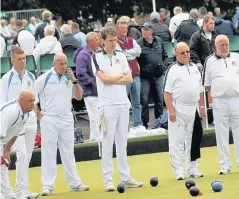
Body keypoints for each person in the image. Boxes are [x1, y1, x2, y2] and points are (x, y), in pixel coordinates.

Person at [91, 26, 143, 191]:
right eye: (111, 40)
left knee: (122, 143)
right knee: (107, 143)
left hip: (122, 104)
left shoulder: (121, 55)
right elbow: (104, 80)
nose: (114, 43)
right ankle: (108, 180)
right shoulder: (96, 57)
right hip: (106, 106)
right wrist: (118, 77)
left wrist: (114, 78)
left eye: (115, 40)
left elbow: (129, 79)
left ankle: (126, 177)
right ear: (102, 41)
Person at [35, 52, 89, 196]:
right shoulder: (44, 78)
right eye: (61, 63)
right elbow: (32, 98)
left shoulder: (69, 78)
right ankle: (47, 186)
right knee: (49, 152)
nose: (64, 66)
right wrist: (40, 117)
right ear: (54, 63)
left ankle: (75, 183)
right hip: (50, 119)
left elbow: (78, 96)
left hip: (66, 118)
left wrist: (74, 81)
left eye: (65, 63)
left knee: (68, 151)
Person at [0, 46, 39, 198]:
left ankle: (22, 189)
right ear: (12, 60)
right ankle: (8, 191)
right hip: (12, 121)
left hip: (29, 120)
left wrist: (36, 116)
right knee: (21, 154)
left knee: (27, 155)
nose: (23, 61)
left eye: (24, 58)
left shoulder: (31, 76)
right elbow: (2, 102)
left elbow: (35, 100)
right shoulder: (6, 79)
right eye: (19, 59)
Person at [164, 42, 206, 180]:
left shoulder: (194, 68)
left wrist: (201, 107)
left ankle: (193, 168)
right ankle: (179, 170)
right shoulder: (172, 69)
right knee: (177, 140)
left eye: (187, 51)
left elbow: (200, 90)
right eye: (182, 52)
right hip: (178, 107)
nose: (186, 54)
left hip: (193, 108)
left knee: (194, 139)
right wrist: (170, 110)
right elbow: (167, 92)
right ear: (176, 54)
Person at [203, 35, 239, 175]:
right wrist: (217, 94)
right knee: (221, 133)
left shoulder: (236, 57)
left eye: (226, 44)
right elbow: (207, 84)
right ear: (215, 46)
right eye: (221, 45)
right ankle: (225, 165)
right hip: (219, 101)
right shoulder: (209, 61)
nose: (225, 47)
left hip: (236, 99)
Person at [0, 90, 36, 199]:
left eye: (34, 101)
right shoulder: (10, 112)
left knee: (3, 164)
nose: (33, 104)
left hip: (2, 140)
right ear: (20, 100)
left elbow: (15, 133)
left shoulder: (26, 114)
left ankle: (7, 194)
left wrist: (6, 151)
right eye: (30, 101)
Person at [116, 19, 145, 133]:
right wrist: (129, 53)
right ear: (117, 29)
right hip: (124, 76)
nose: (125, 30)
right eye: (122, 28)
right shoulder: (116, 42)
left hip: (135, 74)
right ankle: (124, 126)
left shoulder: (131, 40)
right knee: (124, 102)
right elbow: (120, 55)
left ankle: (137, 124)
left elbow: (138, 51)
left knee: (136, 101)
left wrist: (126, 53)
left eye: (126, 28)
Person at [137, 22, 168, 129]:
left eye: (146, 29)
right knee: (144, 101)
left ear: (151, 30)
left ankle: (159, 122)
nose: (143, 31)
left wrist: (164, 65)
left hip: (159, 74)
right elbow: (136, 59)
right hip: (144, 76)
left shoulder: (159, 41)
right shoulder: (138, 43)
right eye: (142, 29)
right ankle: (144, 124)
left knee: (159, 100)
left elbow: (165, 54)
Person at [76, 32, 101, 142]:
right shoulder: (83, 55)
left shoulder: (96, 52)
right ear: (90, 42)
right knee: (94, 116)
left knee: (97, 116)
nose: (99, 41)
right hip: (90, 91)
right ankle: (95, 138)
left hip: (97, 90)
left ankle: (95, 137)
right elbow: (81, 74)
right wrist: (95, 82)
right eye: (96, 39)